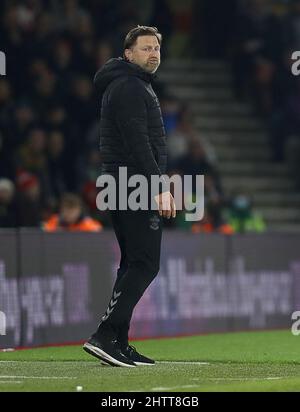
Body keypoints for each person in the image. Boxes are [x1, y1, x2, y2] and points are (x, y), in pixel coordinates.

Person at [83, 26, 176, 367]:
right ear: (128, 54)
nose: (153, 53)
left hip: (121, 183)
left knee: (132, 262)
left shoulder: (129, 85)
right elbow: (137, 141)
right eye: (146, 48)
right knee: (145, 263)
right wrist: (159, 187)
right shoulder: (130, 87)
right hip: (132, 184)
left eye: (157, 48)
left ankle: (117, 341)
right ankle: (105, 334)